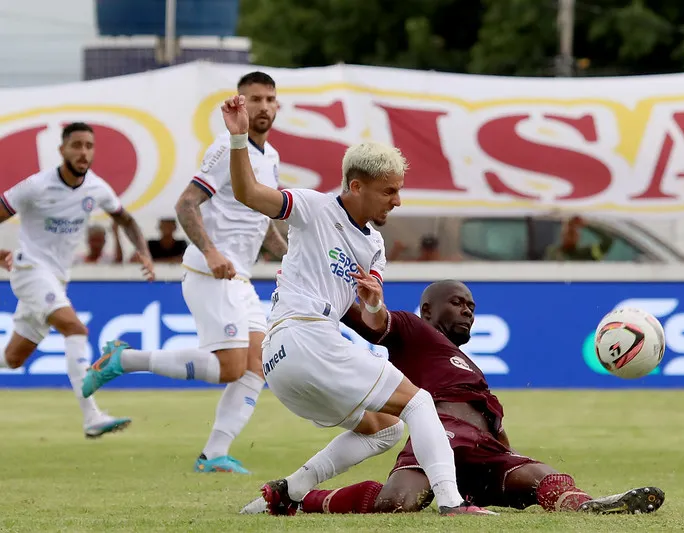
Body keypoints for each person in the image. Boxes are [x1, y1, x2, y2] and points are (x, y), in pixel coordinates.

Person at [214, 94, 491, 516]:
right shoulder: (312, 207)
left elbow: (375, 321)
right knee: (418, 403)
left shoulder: (374, 245)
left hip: (283, 363)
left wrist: (375, 305)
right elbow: (249, 193)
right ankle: (452, 503)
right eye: (389, 191)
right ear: (356, 186)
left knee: (386, 430)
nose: (396, 201)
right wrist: (238, 140)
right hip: (305, 338)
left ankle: (286, 493)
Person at [241, 280, 666, 516]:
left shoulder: (466, 364)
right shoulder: (411, 329)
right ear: (427, 310)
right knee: (397, 505)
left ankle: (591, 507)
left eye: (472, 305)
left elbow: (490, 419)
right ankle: (297, 497)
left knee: (541, 476)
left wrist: (507, 454)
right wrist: (314, 279)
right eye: (457, 302)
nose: (468, 310)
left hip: (486, 452)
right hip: (438, 434)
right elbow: (367, 321)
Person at [82, 72, 289, 473]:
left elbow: (263, 223)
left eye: (270, 99)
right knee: (230, 367)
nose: (264, 106)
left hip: (241, 278)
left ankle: (214, 454)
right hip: (210, 272)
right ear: (240, 104)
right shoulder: (225, 149)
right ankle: (124, 360)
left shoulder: (272, 157)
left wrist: (292, 259)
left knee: (256, 366)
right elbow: (186, 204)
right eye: (255, 99)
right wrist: (210, 251)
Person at [0, 122, 155, 438]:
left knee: (12, 359)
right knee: (75, 328)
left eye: (89, 146)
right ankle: (92, 416)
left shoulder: (96, 188)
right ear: (62, 150)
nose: (83, 152)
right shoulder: (35, 186)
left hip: (57, 279)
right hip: (29, 271)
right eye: (76, 145)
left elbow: (125, 219)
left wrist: (144, 252)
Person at [545, 216, 614, 261]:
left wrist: (587, 225)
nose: (569, 237)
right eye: (568, 233)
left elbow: (608, 241)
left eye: (572, 233)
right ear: (562, 235)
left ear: (578, 237)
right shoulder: (553, 252)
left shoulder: (587, 253)